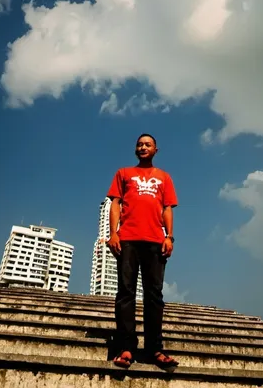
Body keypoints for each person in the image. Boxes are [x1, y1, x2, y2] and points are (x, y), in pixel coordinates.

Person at [106, 133, 179, 369]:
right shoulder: (124, 173)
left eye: (147, 144)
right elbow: (115, 203)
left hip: (155, 241)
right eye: (139, 144)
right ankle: (126, 347)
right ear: (135, 150)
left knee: (154, 296)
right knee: (125, 293)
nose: (143, 147)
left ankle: (155, 349)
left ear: (156, 150)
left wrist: (169, 237)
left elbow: (167, 208)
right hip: (127, 239)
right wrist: (113, 233)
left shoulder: (164, 177)